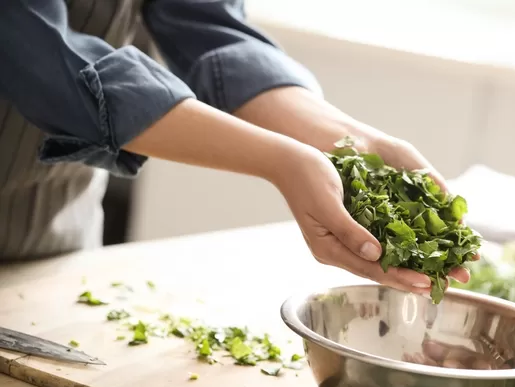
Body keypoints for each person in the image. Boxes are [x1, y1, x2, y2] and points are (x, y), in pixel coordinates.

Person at [0, 0, 474, 294]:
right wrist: (282, 160)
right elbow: (42, 57)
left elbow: (204, 20)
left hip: (54, 234)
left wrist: (349, 141)